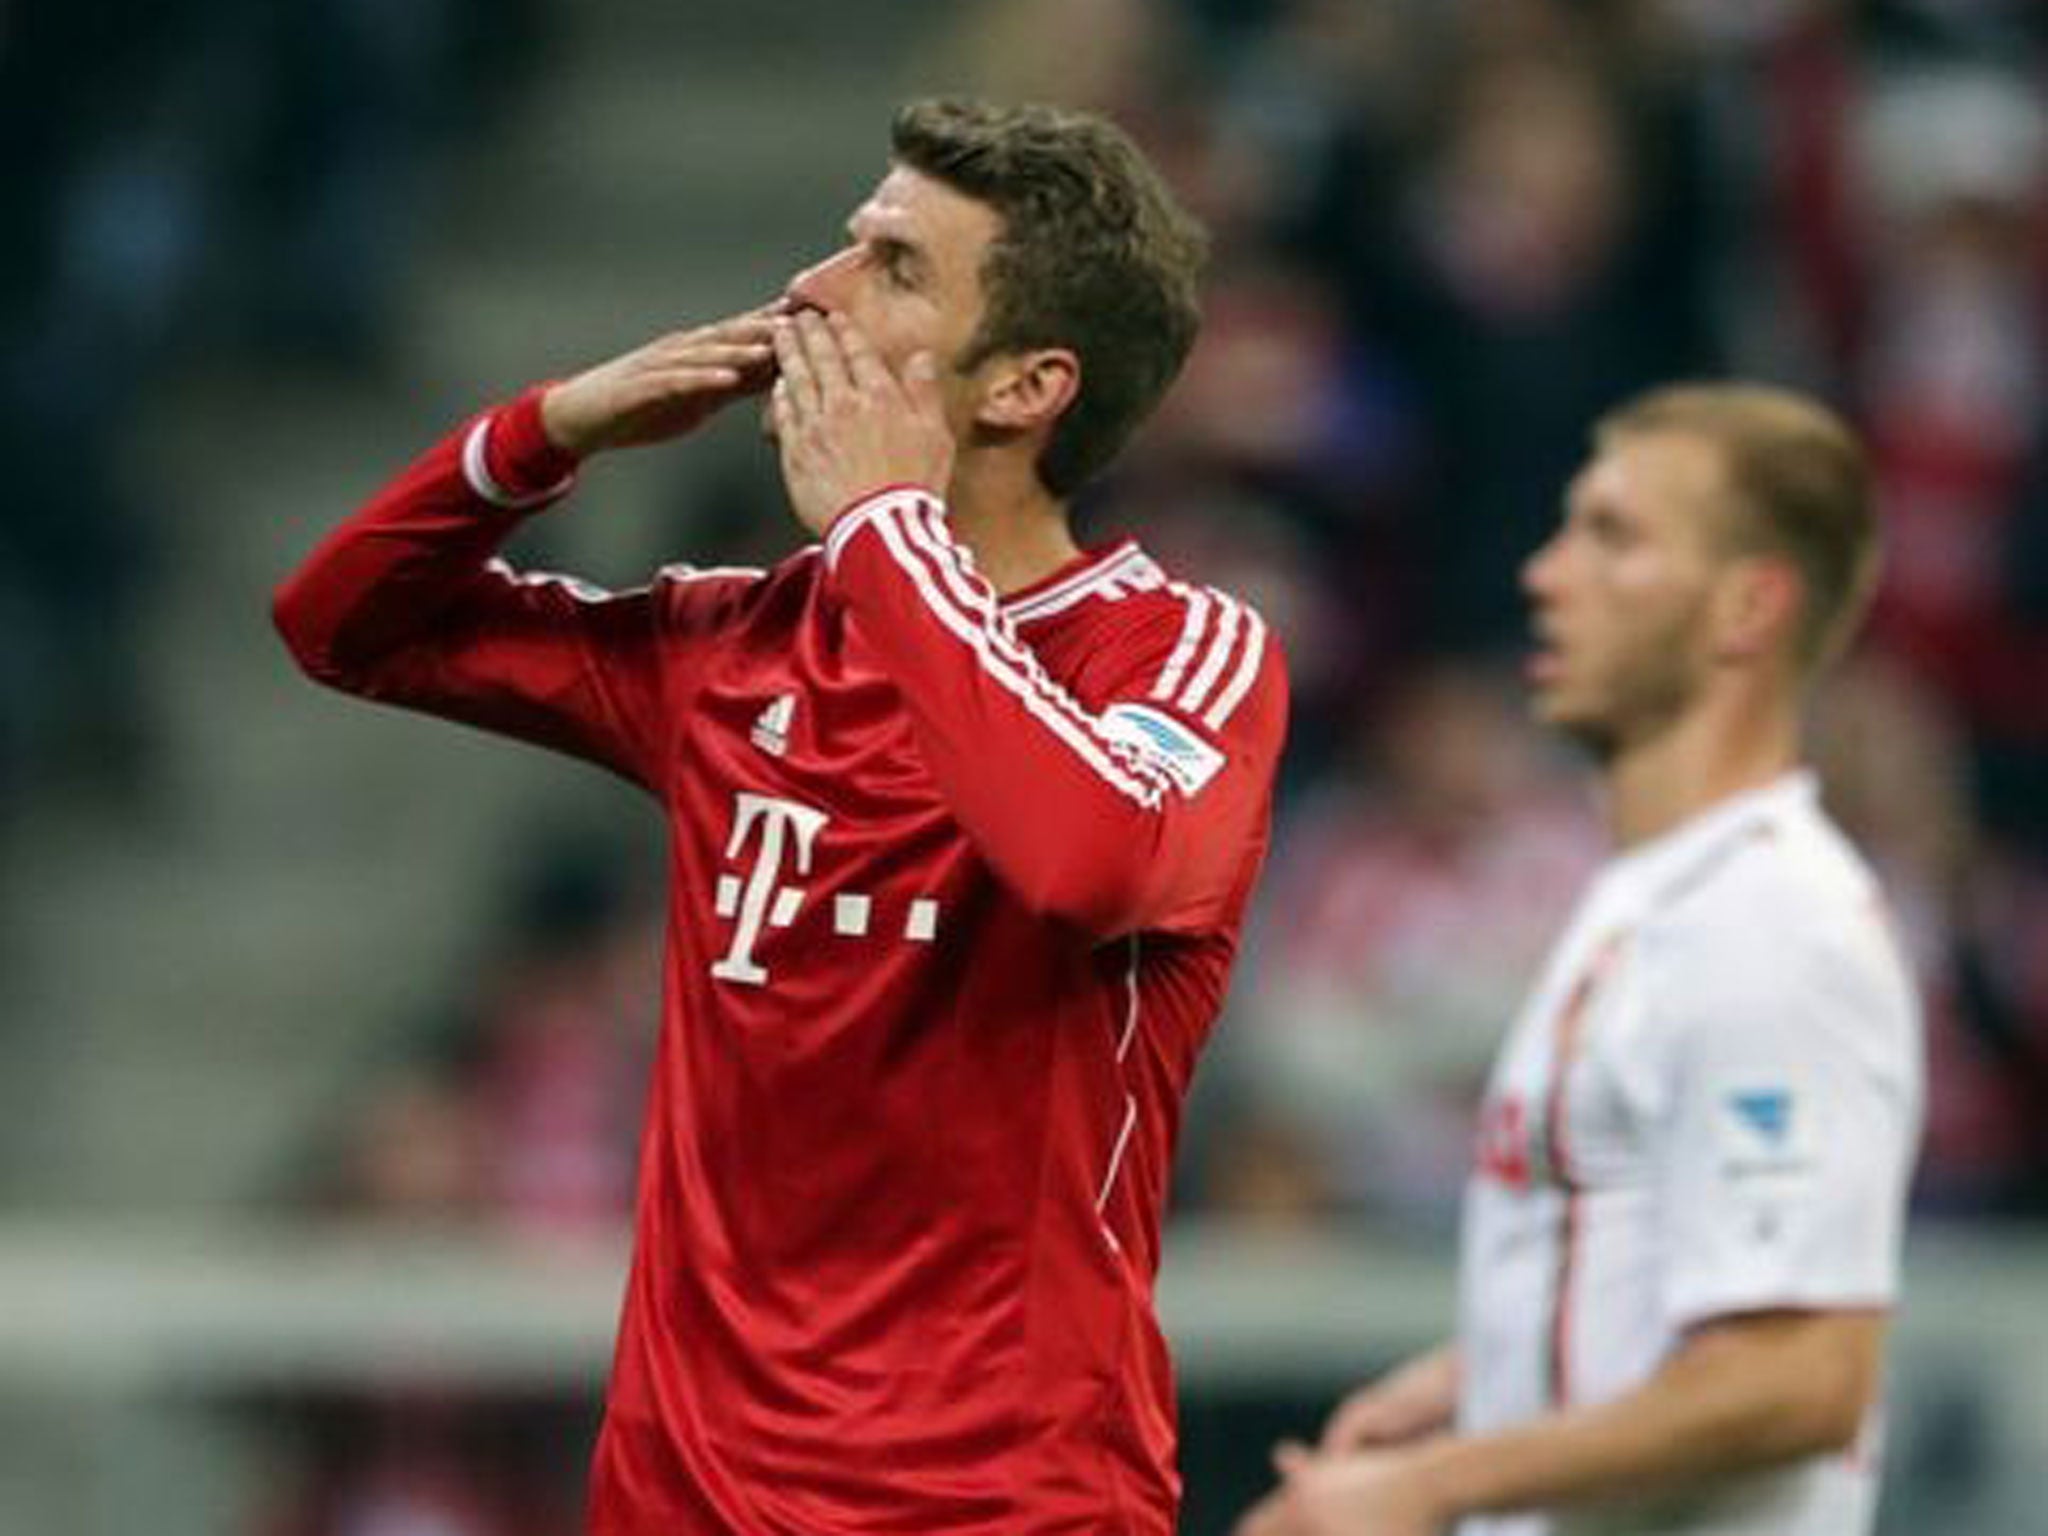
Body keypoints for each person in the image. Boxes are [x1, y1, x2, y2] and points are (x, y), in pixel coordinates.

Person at [273, 98, 1287, 1535]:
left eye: (893, 267)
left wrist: (886, 532)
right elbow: (342, 626)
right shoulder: (734, 649)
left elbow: (1086, 859)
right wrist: (547, 430)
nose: (809, 289)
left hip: (993, 1502)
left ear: (1022, 389)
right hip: (680, 1492)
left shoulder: (1181, 653)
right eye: (844, 241)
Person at [1238, 385, 1923, 1536]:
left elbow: (1798, 1372)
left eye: (1611, 536)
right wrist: (1481, 1380)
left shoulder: (1772, 927)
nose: (1543, 576)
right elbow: (1678, 1272)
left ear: (1745, 610)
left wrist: (1429, 1487)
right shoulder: (1644, 901)